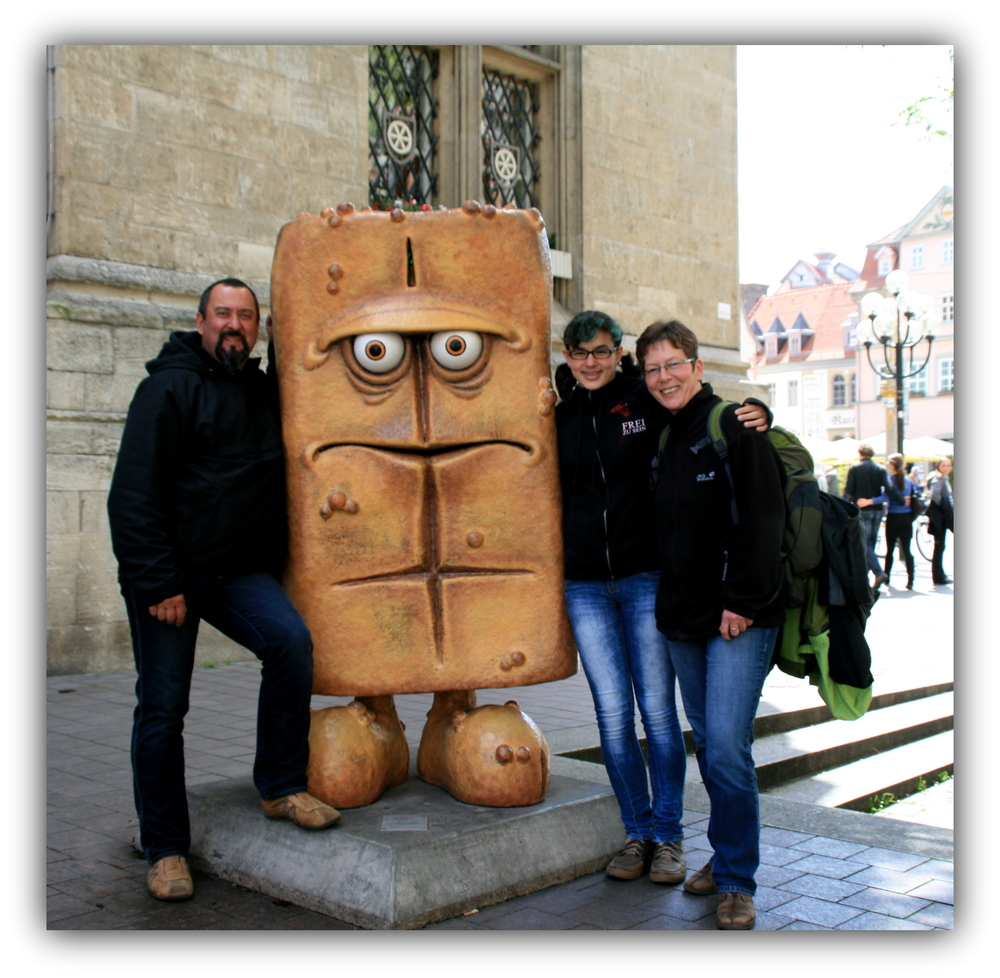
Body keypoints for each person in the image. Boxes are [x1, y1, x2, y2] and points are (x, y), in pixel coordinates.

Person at [107, 278, 340, 903]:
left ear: (258, 327)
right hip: (171, 579)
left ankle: (280, 785)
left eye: (246, 316)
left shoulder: (264, 391)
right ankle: (164, 848)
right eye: (224, 314)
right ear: (202, 320)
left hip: (236, 571)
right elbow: (133, 497)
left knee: (290, 643)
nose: (234, 325)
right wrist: (158, 581)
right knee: (162, 709)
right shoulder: (165, 389)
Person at [555, 311, 769, 886]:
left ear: (618, 352)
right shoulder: (560, 413)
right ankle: (637, 832)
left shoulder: (644, 400)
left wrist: (757, 411)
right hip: (583, 584)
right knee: (612, 715)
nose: (591, 363)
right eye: (580, 354)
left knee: (657, 711)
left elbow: (695, 408)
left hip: (647, 576)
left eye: (601, 351)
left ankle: (670, 837)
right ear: (568, 357)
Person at [636, 319, 786, 930]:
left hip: (737, 619)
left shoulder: (734, 426)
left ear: (698, 366)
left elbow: (764, 518)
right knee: (713, 744)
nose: (664, 377)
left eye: (674, 364)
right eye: (652, 369)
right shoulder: (667, 436)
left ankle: (736, 881)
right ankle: (724, 857)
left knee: (726, 745)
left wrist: (743, 602)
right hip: (684, 622)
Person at [844, 444, 904, 590]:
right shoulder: (880, 468)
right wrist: (901, 500)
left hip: (862, 509)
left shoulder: (855, 468)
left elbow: (849, 489)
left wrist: (843, 506)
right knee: (871, 541)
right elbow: (889, 488)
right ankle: (867, 575)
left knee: (865, 542)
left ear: (860, 453)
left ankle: (877, 572)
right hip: (878, 509)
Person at [857, 453, 916, 590]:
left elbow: (885, 496)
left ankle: (886, 578)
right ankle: (911, 580)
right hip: (906, 518)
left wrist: (868, 501)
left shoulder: (891, 481)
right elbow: (910, 497)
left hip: (894, 517)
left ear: (891, 465)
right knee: (907, 549)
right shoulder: (908, 481)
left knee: (890, 550)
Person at [927, 458, 954, 585]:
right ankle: (938, 576)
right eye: (944, 465)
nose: (946, 468)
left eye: (948, 465)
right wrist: (945, 507)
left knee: (940, 546)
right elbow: (936, 496)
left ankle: (940, 575)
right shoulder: (940, 479)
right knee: (939, 546)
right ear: (938, 466)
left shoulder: (942, 478)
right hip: (940, 517)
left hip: (941, 516)